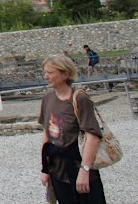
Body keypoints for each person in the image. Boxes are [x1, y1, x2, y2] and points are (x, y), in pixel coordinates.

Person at [39, 54, 105, 203]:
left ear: (65, 74)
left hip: (78, 166)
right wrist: (45, 168)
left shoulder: (80, 98)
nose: (45, 77)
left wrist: (85, 170)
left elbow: (92, 136)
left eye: (50, 73)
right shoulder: (47, 99)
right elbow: (47, 134)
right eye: (45, 73)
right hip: (57, 169)